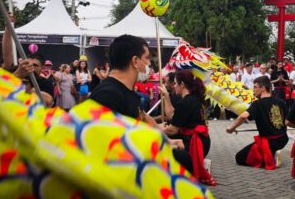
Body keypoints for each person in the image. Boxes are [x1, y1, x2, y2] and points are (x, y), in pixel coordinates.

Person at [88, 35, 191, 171]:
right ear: (135, 61)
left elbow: (142, 116)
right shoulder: (107, 96)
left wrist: (166, 138)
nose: (149, 64)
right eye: (146, 58)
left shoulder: (125, 91)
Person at [161, 70, 216, 186]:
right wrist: (166, 96)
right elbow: (173, 116)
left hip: (195, 144)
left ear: (182, 85)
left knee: (166, 147)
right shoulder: (194, 98)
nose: (174, 86)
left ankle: (194, 165)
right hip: (202, 141)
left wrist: (154, 129)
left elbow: (172, 129)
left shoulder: (186, 102)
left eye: (175, 83)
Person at [226, 76, 288, 170]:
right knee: (257, 149)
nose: (253, 89)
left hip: (270, 141)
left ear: (263, 88)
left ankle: (272, 157)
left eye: (255, 87)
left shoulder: (257, 104)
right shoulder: (281, 102)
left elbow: (243, 116)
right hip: (283, 139)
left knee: (240, 157)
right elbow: (287, 121)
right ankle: (273, 152)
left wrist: (231, 128)